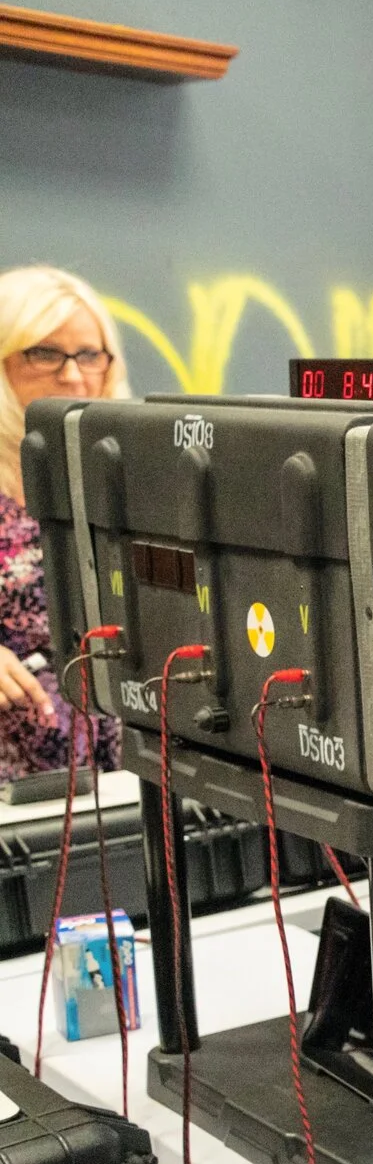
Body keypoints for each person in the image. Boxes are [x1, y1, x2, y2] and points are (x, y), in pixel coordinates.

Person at [0, 264, 127, 780]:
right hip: (16, 798)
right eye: (45, 353)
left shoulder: (128, 479)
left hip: (133, 786)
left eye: (89, 355)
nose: (73, 376)